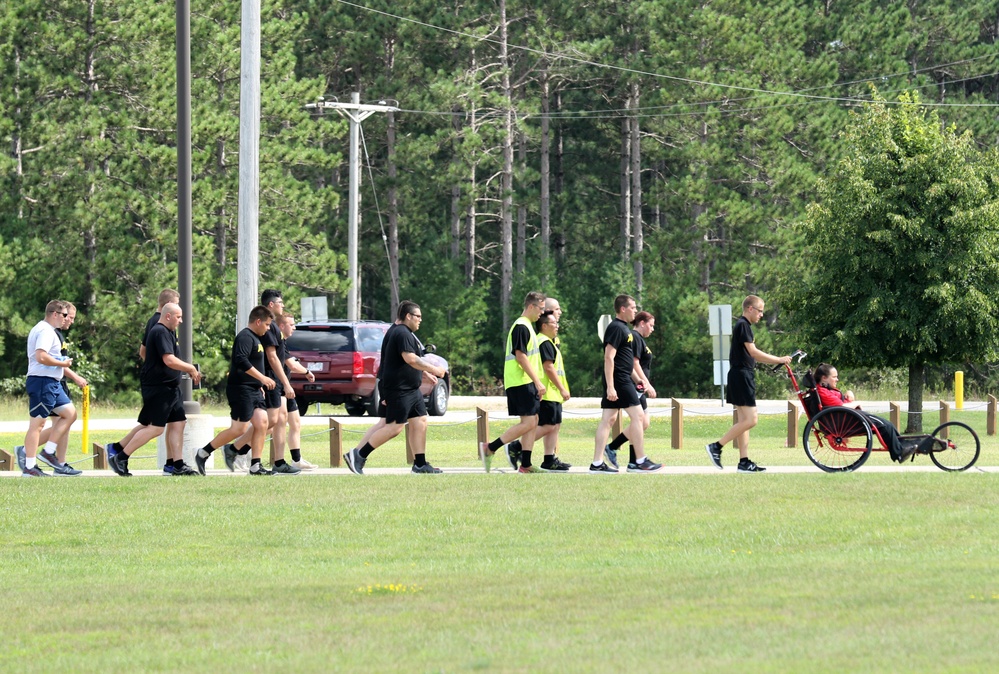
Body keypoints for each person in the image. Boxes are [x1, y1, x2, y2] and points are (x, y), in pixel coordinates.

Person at [344, 301, 447, 475]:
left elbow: (400, 361)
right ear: (408, 316)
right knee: (394, 427)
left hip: (410, 388)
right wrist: (435, 370)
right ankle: (359, 455)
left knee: (420, 421)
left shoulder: (398, 331)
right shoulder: (402, 333)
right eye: (418, 316)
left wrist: (424, 373)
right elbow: (410, 359)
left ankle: (420, 464)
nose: (420, 320)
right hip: (399, 389)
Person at [108, 304, 202, 477]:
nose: (181, 321)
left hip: (171, 388)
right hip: (159, 388)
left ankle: (177, 465)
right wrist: (190, 368)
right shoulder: (159, 331)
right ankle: (120, 457)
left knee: (179, 423)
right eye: (178, 317)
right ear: (168, 316)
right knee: (156, 428)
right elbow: (169, 360)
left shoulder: (169, 332)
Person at [706, 295, 791, 473]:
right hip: (742, 375)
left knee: (744, 421)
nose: (761, 315)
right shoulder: (743, 325)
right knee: (752, 420)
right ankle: (716, 446)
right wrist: (779, 359)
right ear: (750, 309)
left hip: (739, 375)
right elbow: (754, 353)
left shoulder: (743, 326)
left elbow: (752, 354)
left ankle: (744, 462)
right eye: (760, 311)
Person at [194, 306, 277, 475]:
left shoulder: (257, 338)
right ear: (258, 321)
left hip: (254, 389)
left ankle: (255, 466)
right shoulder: (245, 337)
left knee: (263, 423)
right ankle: (203, 453)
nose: (268, 328)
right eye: (267, 324)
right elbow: (241, 361)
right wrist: (262, 378)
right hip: (241, 389)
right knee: (239, 429)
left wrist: (258, 384)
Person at [226, 290, 299, 474]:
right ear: (271, 305)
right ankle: (236, 449)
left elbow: (282, 356)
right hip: (271, 378)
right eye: (280, 302)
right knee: (271, 421)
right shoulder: (269, 327)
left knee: (278, 419)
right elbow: (272, 357)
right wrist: (284, 382)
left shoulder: (272, 326)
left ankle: (276, 460)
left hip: (275, 379)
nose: (283, 305)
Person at [479, 292, 547, 473]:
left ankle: (526, 464)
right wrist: (537, 382)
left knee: (533, 420)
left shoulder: (528, 327)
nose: (542, 312)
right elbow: (520, 356)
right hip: (520, 381)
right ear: (531, 306)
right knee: (529, 422)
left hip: (526, 382)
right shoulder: (521, 327)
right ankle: (490, 448)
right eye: (541, 308)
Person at [592, 295, 662, 473]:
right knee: (638, 416)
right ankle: (640, 461)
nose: (635, 311)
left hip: (623, 377)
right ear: (623, 309)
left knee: (608, 420)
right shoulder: (616, 328)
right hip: (619, 380)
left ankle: (597, 463)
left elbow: (626, 361)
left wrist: (639, 380)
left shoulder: (624, 330)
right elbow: (609, 357)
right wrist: (610, 386)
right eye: (633, 307)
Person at [21, 301, 87, 475]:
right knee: (37, 424)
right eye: (64, 315)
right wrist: (62, 363)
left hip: (53, 382)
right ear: (54, 314)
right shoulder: (45, 331)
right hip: (42, 381)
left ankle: (48, 452)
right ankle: (29, 467)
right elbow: (41, 357)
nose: (66, 319)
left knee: (70, 414)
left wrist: (61, 364)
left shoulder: (50, 331)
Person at [811, 363, 917, 463]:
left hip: (848, 417)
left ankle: (903, 446)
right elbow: (841, 406)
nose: (837, 379)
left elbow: (840, 403)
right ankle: (899, 453)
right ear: (824, 378)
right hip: (848, 420)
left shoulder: (826, 390)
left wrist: (848, 395)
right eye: (834, 377)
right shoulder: (822, 392)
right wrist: (856, 403)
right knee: (884, 425)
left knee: (887, 424)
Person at [604, 310, 657, 470]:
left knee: (642, 422)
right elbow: (634, 363)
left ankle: (631, 459)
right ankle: (618, 450)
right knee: (640, 420)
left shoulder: (638, 339)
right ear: (642, 323)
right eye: (651, 325)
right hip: (634, 386)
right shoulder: (634, 337)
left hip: (638, 385)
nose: (652, 329)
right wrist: (646, 384)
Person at [278, 313, 318, 470]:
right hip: (279, 388)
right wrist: (307, 372)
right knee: (269, 426)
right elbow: (292, 365)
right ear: (282, 326)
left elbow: (289, 364)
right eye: (291, 324)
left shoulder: (283, 342)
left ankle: (297, 460)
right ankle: (239, 449)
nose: (294, 328)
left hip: (286, 388)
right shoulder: (278, 341)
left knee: (295, 423)